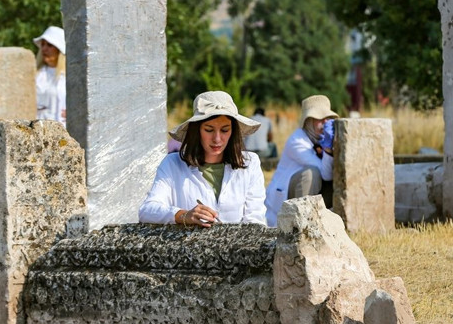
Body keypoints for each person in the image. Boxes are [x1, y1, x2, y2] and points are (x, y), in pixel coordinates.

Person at [139, 91, 267, 226]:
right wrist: (183, 215)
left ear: (233, 132)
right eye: (209, 130)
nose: (217, 139)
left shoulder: (250, 163)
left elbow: (255, 220)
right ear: (196, 131)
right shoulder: (172, 164)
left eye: (224, 130)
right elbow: (147, 210)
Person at [264, 94, 338, 227]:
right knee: (311, 174)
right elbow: (324, 172)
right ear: (308, 121)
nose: (324, 123)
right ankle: (302, 227)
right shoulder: (297, 141)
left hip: (311, 194)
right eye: (319, 119)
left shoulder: (321, 139)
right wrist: (328, 150)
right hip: (284, 202)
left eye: (327, 119)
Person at [33, 26, 66, 125]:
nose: (44, 49)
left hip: (63, 131)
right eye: (42, 45)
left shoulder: (70, 77)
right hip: (37, 130)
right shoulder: (36, 75)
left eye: (49, 45)